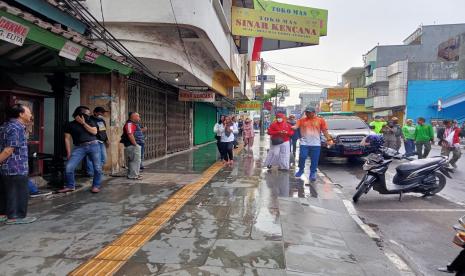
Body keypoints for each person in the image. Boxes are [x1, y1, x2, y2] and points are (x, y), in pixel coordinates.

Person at [0, 104, 37, 224]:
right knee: (18, 192)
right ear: (21, 114)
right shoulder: (16, 127)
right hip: (16, 165)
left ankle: (4, 214)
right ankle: (15, 216)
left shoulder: (5, 125)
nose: (30, 114)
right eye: (28, 112)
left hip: (6, 166)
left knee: (7, 191)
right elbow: (9, 149)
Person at [60, 106, 102, 193]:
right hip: (79, 147)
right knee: (69, 167)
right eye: (87, 113)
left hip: (93, 145)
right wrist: (68, 153)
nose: (89, 115)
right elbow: (67, 139)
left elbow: (94, 132)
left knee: (97, 168)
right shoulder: (70, 124)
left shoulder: (90, 121)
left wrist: (83, 123)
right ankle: (70, 186)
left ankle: (96, 186)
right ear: (80, 114)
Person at [293, 106, 334, 182]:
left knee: (314, 159)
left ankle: (312, 173)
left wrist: (329, 139)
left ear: (314, 113)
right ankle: (301, 170)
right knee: (302, 157)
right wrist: (293, 127)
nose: (307, 113)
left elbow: (324, 131)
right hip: (304, 143)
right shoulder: (301, 120)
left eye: (309, 112)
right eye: (306, 112)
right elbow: (296, 126)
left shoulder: (320, 120)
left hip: (316, 144)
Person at [86, 107, 109, 176]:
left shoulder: (101, 120)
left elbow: (103, 131)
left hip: (101, 141)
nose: (102, 114)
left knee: (103, 158)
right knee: (91, 157)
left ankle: (97, 171)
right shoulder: (89, 119)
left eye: (103, 112)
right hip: (93, 141)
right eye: (100, 112)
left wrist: (106, 139)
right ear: (95, 112)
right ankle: (91, 172)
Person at [121, 112, 143, 180]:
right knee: (135, 161)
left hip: (133, 145)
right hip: (132, 145)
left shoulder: (133, 124)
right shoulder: (130, 124)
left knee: (134, 160)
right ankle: (133, 175)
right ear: (133, 117)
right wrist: (135, 144)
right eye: (138, 116)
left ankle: (133, 174)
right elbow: (130, 134)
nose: (139, 118)